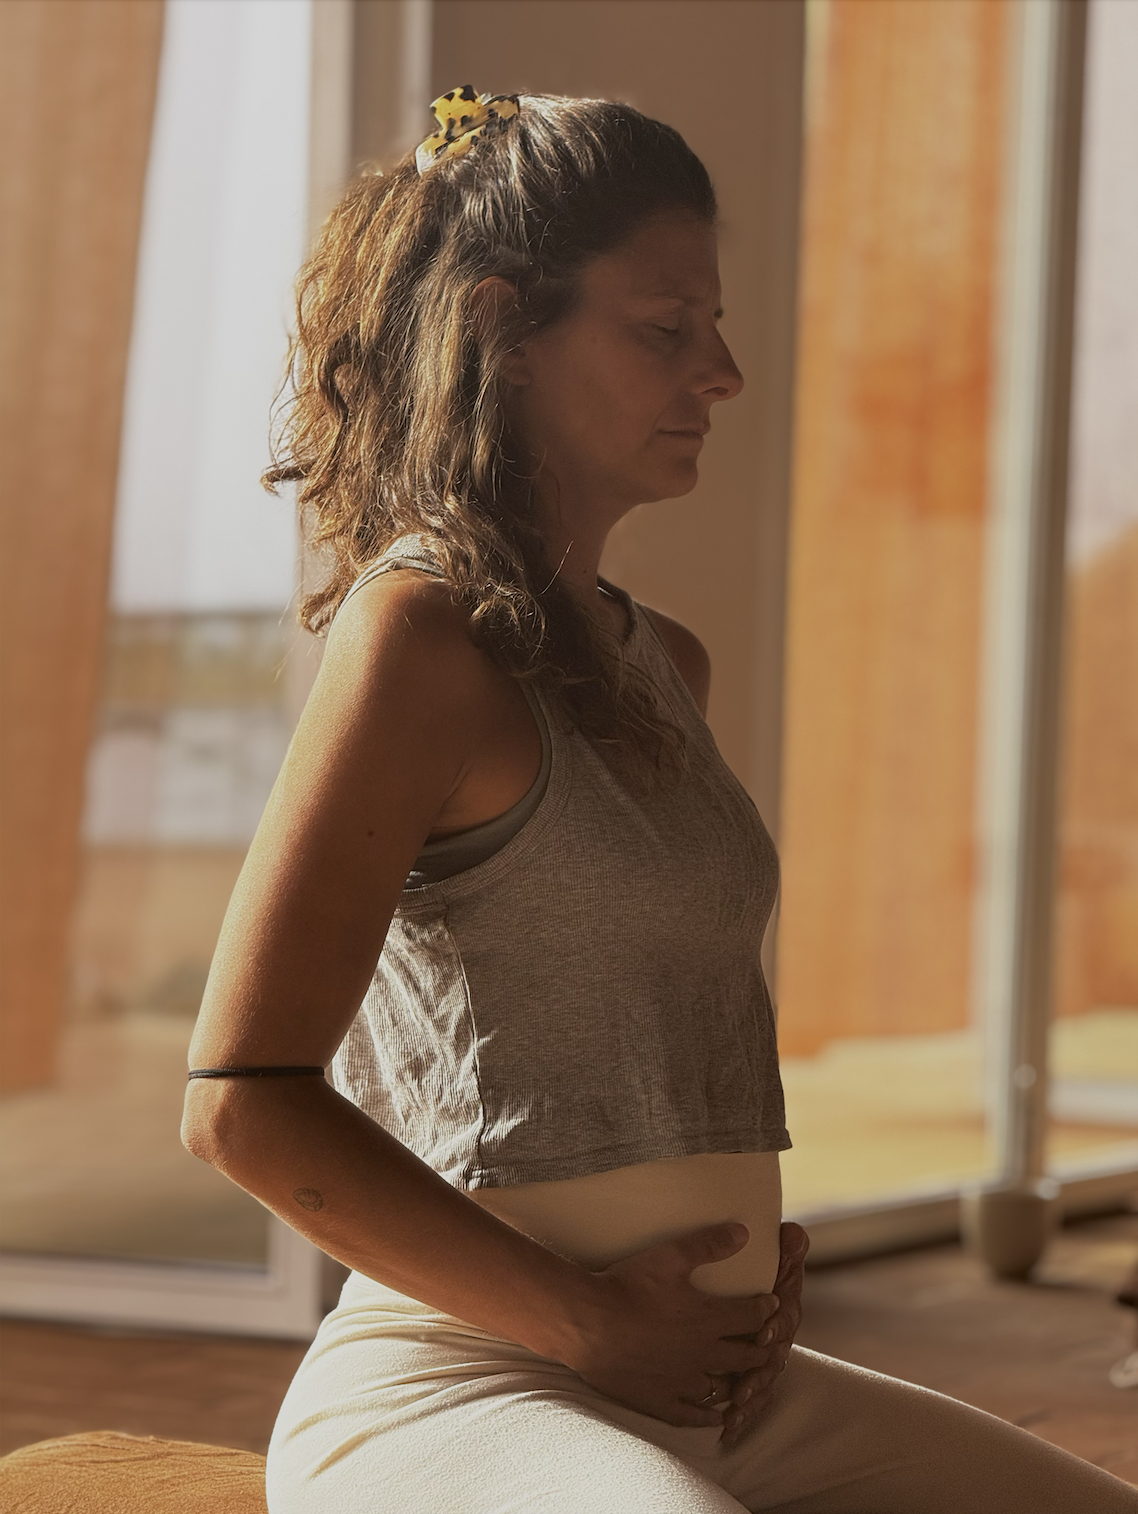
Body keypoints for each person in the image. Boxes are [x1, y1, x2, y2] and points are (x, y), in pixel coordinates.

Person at [182, 89, 1137, 1514]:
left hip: (716, 1391)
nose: (724, 372)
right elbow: (240, 1102)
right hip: (461, 1385)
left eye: (715, 326)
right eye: (663, 328)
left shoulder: (663, 660)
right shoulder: (420, 635)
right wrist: (591, 1323)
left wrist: (747, 1243)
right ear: (504, 331)